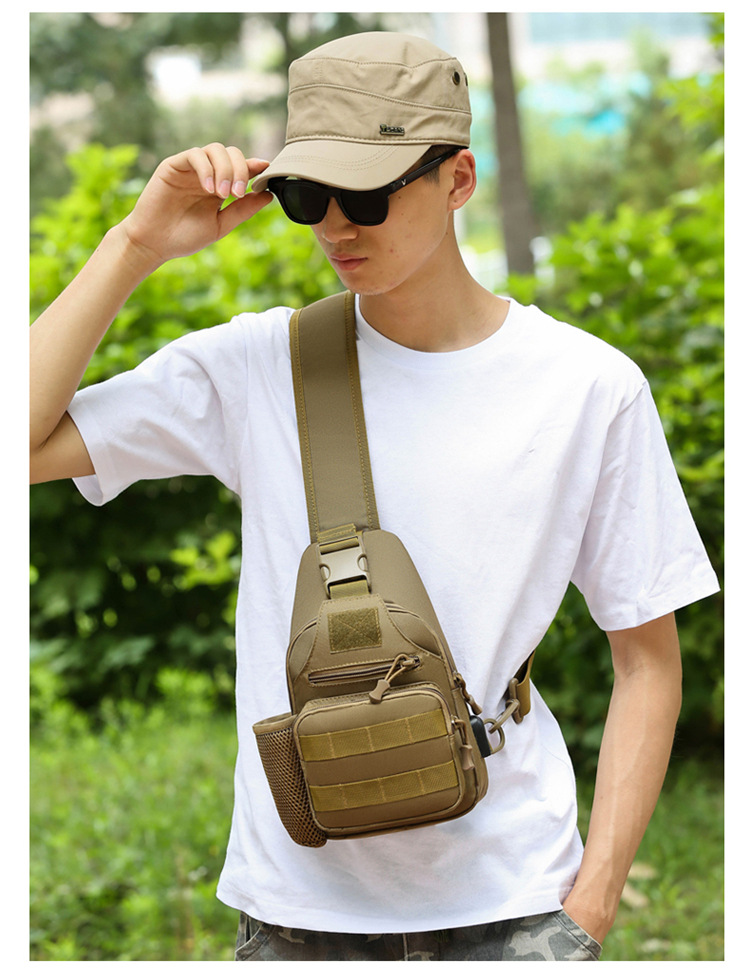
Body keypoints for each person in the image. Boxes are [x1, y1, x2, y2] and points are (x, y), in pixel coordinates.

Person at [30, 32, 719, 962]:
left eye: (365, 195)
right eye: (306, 198)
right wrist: (134, 246)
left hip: (516, 903)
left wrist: (588, 909)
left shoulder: (587, 388)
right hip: (297, 914)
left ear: (458, 179)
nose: (335, 228)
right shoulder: (257, 368)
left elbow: (647, 662)